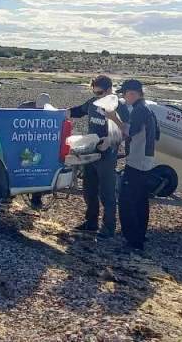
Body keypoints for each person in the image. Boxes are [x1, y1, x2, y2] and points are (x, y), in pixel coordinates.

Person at [64, 75, 127, 239]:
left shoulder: (119, 107)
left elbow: (127, 131)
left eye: (99, 93)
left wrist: (111, 139)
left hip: (107, 154)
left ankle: (108, 227)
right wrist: (65, 113)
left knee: (106, 193)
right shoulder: (92, 102)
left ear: (109, 90)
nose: (97, 96)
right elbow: (80, 110)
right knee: (89, 190)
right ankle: (91, 223)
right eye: (94, 92)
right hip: (91, 152)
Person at [116, 79, 158, 253]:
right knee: (141, 200)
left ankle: (133, 240)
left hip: (137, 162)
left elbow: (128, 132)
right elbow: (157, 135)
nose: (124, 98)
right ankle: (140, 235)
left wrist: (113, 118)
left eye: (125, 94)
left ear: (133, 93)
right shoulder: (148, 109)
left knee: (127, 201)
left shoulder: (139, 110)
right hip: (146, 160)